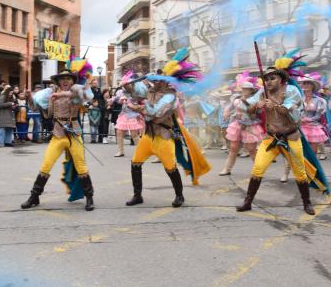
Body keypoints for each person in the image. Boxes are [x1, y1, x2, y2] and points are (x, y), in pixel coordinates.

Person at [236, 51, 330, 215]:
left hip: (291, 137)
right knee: (257, 169)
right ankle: (248, 202)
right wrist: (255, 104)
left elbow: (290, 109)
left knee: (299, 172)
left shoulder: (292, 90)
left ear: (282, 79)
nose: (268, 81)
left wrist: (272, 104)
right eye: (266, 79)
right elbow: (244, 107)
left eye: (272, 78)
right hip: (270, 138)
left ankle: (307, 203)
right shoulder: (262, 92)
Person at [126, 49, 211, 208]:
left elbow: (154, 112)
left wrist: (137, 108)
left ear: (166, 81)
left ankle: (179, 196)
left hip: (164, 137)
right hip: (148, 136)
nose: (156, 82)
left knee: (170, 167)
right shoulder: (151, 90)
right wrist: (128, 86)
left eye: (160, 79)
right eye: (155, 79)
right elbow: (135, 90)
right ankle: (137, 195)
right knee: (135, 163)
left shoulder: (170, 96)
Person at [21, 70, 95, 211]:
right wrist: (30, 97)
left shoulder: (76, 90)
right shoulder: (51, 94)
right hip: (58, 133)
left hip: (74, 133)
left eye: (68, 78)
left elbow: (84, 96)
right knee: (46, 165)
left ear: (72, 81)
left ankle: (89, 197)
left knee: (81, 166)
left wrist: (60, 94)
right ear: (58, 81)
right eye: (62, 79)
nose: (65, 81)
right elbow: (40, 109)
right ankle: (34, 196)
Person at [219, 73, 263, 176]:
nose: (244, 90)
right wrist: (226, 112)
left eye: (247, 89)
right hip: (237, 124)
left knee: (251, 149)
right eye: (243, 88)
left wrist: (253, 106)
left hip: (250, 125)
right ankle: (227, 169)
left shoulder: (255, 100)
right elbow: (229, 107)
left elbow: (256, 113)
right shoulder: (236, 98)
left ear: (252, 90)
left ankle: (258, 170)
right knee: (233, 148)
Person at [109, 71, 148, 157]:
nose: (125, 86)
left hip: (133, 114)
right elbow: (117, 99)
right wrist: (112, 100)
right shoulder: (122, 92)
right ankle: (120, 151)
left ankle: (141, 151)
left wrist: (135, 105)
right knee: (119, 131)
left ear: (132, 84)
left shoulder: (138, 92)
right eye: (124, 85)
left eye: (127, 85)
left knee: (134, 134)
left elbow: (144, 103)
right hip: (124, 114)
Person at [298, 73, 329, 165]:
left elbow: (319, 115)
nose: (306, 85)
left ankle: (312, 169)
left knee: (313, 152)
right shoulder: (298, 99)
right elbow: (293, 111)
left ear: (313, 86)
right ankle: (303, 170)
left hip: (313, 127)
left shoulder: (319, 100)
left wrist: (309, 119)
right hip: (300, 127)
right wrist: (300, 118)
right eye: (304, 83)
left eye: (308, 83)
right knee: (301, 151)